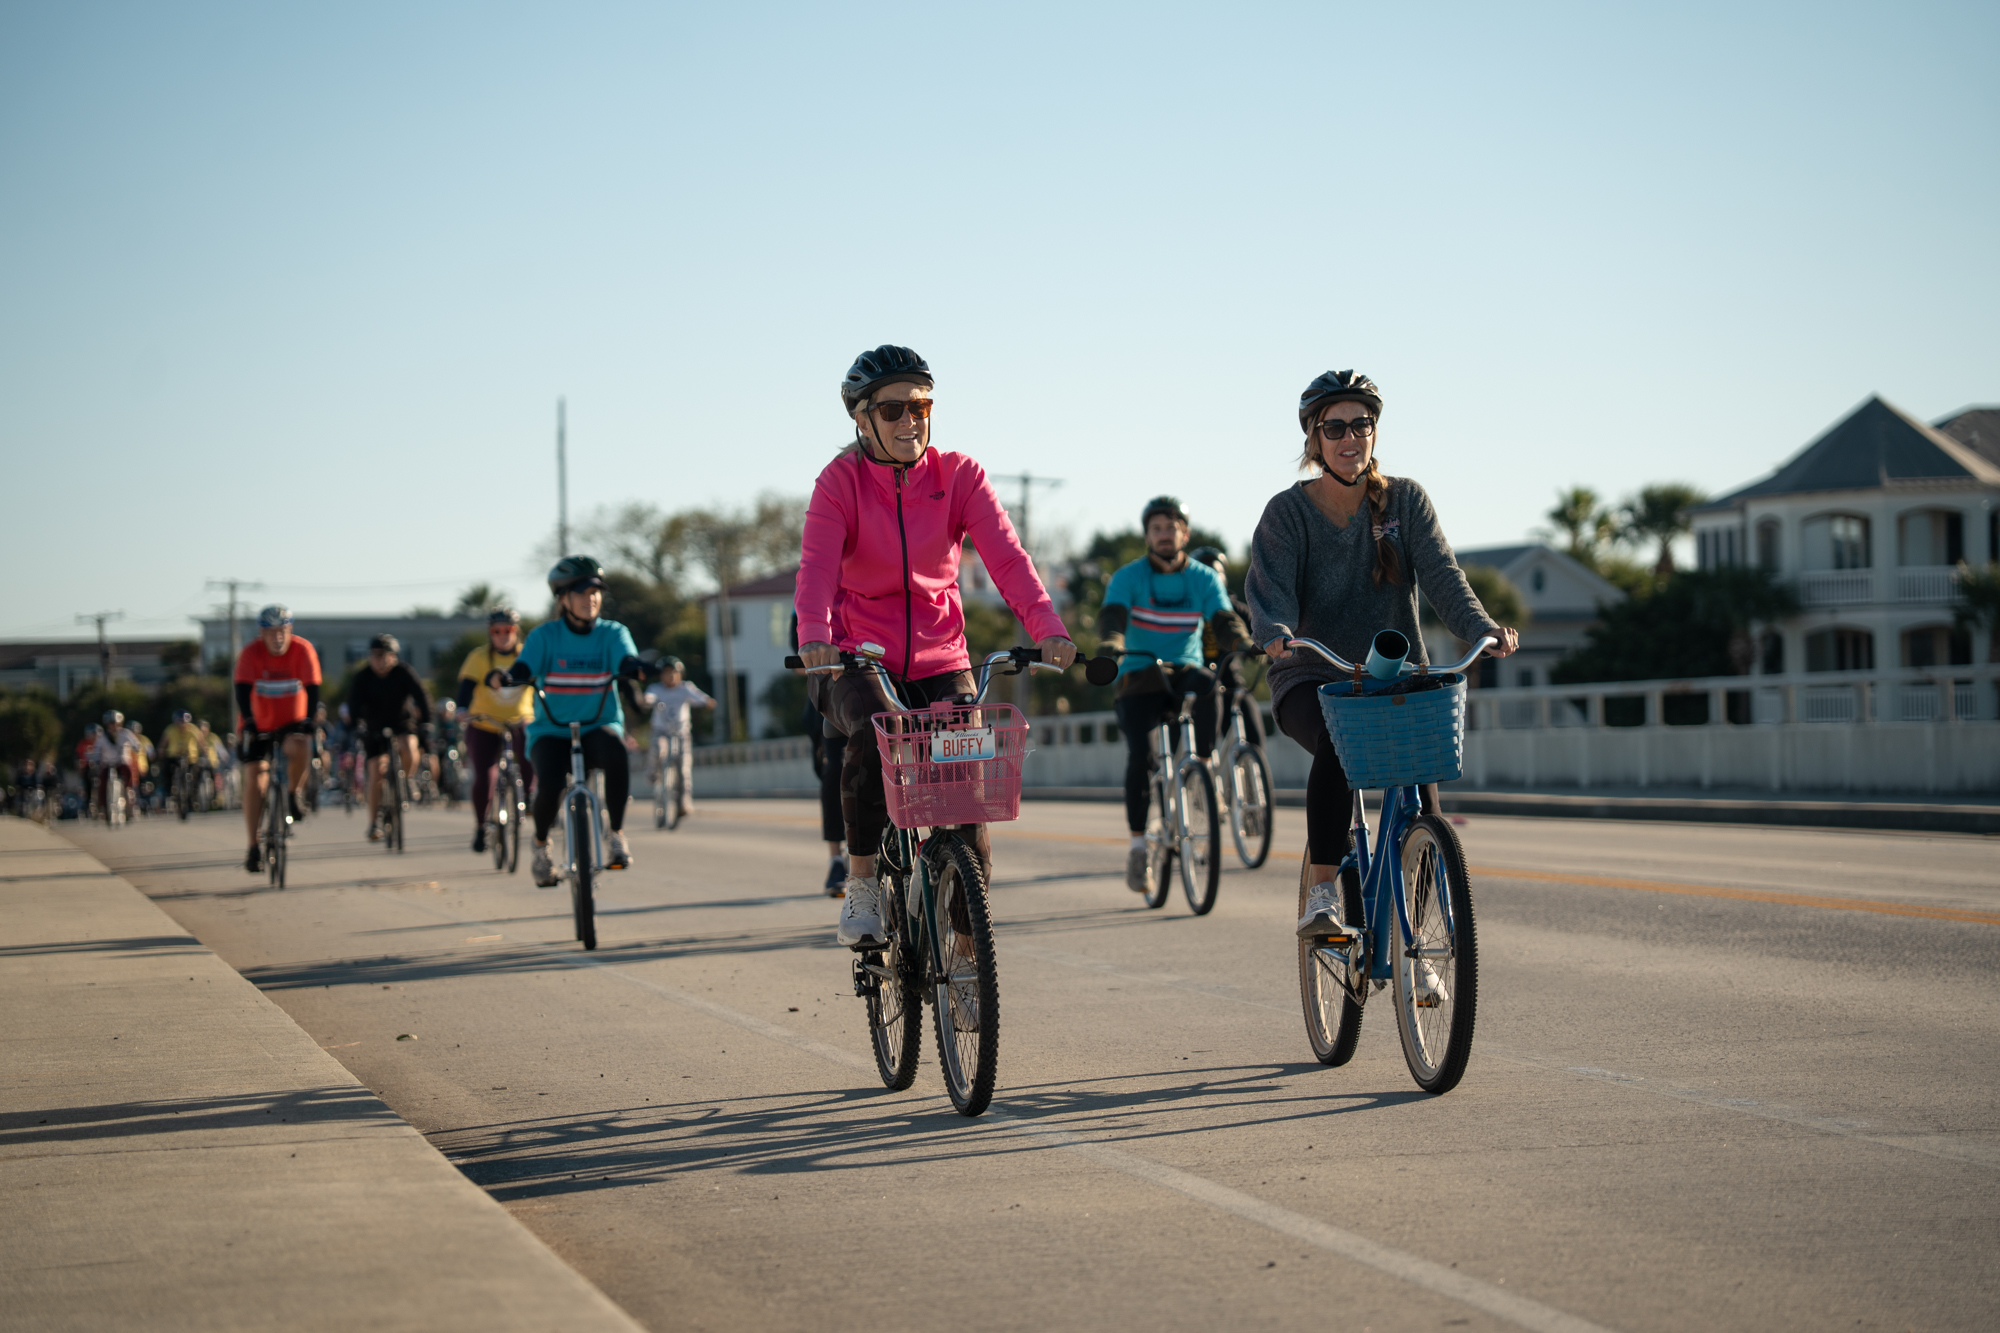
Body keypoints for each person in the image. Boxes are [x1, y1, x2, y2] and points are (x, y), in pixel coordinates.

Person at [796, 344, 1076, 949]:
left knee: (969, 790)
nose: (909, 420)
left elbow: (1008, 559)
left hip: (941, 657)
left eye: (920, 406)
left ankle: (969, 954)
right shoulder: (839, 483)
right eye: (892, 409)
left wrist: (1047, 627)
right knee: (876, 735)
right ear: (861, 418)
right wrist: (814, 638)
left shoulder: (959, 476)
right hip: (855, 657)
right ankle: (862, 883)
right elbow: (816, 570)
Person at [1244, 370, 1517, 952]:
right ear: (1314, 439)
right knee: (1339, 743)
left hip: (1399, 676)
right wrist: (1274, 632)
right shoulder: (1287, 513)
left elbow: (1443, 576)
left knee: (1425, 803)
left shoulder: (1405, 501)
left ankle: (1417, 945)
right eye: (1334, 428)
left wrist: (1482, 629)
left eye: (1361, 424)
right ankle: (1323, 894)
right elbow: (1269, 589)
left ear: (1374, 431)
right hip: (1313, 675)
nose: (1350, 437)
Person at [1095, 497, 1252, 895]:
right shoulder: (1129, 577)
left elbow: (1223, 619)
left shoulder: (1203, 578)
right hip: (1139, 672)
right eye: (1157, 529)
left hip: (1184, 668)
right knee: (1141, 758)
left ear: (1185, 533)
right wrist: (1111, 641)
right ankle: (1137, 847)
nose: (1164, 535)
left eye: (1172, 528)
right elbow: (1113, 616)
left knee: (1209, 683)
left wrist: (1242, 641)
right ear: (1147, 535)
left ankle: (1203, 770)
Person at [490, 556, 644, 885]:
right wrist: (508, 677)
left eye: (596, 592)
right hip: (551, 730)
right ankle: (540, 845)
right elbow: (524, 667)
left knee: (617, 753)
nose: (591, 599)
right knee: (551, 785)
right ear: (563, 598)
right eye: (582, 592)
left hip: (598, 725)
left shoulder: (612, 633)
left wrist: (636, 668)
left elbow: (626, 658)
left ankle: (616, 835)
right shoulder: (545, 636)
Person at [233, 605, 323, 869]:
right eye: (271, 632)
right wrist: (249, 723)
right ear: (261, 633)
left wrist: (309, 721)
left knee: (302, 745)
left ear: (290, 630)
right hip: (257, 723)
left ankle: (293, 794)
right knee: (255, 779)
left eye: (282, 631)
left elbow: (313, 690)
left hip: (292, 722)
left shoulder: (303, 650)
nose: (278, 637)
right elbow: (242, 691)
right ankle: (253, 846)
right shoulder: (250, 653)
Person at [457, 607, 536, 852]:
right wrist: (461, 708)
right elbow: (466, 687)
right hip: (485, 722)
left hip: (519, 719)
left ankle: (529, 796)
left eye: (508, 630)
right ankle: (482, 826)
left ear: (516, 631)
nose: (502, 635)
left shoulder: (528, 654)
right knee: (485, 775)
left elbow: (543, 681)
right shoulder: (479, 657)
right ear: (490, 633)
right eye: (496, 631)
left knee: (530, 751)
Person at [348, 634, 433, 840]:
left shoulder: (403, 672)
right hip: (374, 727)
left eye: (384, 655)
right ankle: (373, 823)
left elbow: (421, 696)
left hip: (402, 722)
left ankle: (407, 780)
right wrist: (357, 725)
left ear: (394, 656)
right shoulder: (363, 677)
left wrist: (427, 722)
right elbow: (354, 705)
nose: (379, 659)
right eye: (375, 655)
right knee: (376, 771)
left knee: (409, 746)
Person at [641, 655, 713, 820]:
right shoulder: (656, 688)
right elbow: (649, 697)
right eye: (666, 672)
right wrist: (646, 700)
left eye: (674, 672)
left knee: (683, 768)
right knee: (657, 749)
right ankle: (653, 773)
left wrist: (707, 702)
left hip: (680, 733)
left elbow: (700, 697)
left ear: (680, 674)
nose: (670, 676)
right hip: (661, 730)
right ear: (661, 675)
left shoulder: (685, 688)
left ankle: (684, 803)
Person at [88, 711, 143, 817]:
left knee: (128, 773)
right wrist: (94, 758)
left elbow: (136, 744)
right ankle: (103, 807)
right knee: (102, 781)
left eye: (116, 724)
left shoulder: (125, 734)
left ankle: (128, 794)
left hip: (122, 762)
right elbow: (96, 749)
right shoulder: (102, 737)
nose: (114, 726)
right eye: (111, 724)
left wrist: (135, 748)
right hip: (108, 763)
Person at [161, 710, 204, 807]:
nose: (182, 725)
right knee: (167, 770)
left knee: (196, 772)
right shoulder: (170, 729)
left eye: (184, 722)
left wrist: (204, 750)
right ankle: (168, 791)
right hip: (174, 755)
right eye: (179, 722)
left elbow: (201, 742)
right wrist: (161, 749)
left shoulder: (193, 729)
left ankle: (194, 793)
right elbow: (164, 742)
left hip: (190, 757)